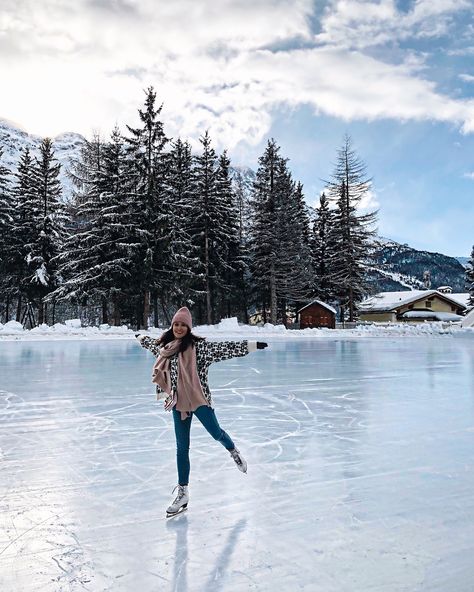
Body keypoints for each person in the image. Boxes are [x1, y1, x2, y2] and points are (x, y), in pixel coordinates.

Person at [136, 306, 268, 517]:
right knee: (182, 448)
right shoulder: (166, 348)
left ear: (189, 327)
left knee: (217, 433)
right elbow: (151, 344)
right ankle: (183, 493)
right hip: (178, 403)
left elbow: (226, 348)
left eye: (183, 325)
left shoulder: (200, 349)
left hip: (199, 401)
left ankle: (234, 452)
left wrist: (252, 345)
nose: (179, 328)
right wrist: (140, 337)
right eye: (176, 324)